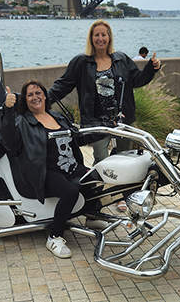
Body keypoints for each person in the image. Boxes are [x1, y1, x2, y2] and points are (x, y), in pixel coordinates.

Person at [48, 19, 160, 212]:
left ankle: (124, 195)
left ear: (109, 38)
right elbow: (62, 85)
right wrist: (42, 100)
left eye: (104, 34)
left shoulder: (121, 59)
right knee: (102, 160)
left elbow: (137, 80)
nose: (100, 38)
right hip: (96, 122)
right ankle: (100, 198)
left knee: (124, 158)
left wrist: (151, 68)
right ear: (91, 38)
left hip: (122, 119)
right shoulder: (81, 63)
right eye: (96, 35)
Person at [0, 80, 97, 259]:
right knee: (70, 192)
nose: (35, 97)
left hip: (72, 167)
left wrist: (107, 129)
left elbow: (78, 138)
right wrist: (7, 110)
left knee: (98, 178)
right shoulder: (23, 121)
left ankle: (92, 215)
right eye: (30, 95)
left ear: (45, 95)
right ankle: (54, 236)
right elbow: (9, 142)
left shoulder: (58, 116)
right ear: (25, 100)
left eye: (38, 93)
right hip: (46, 172)